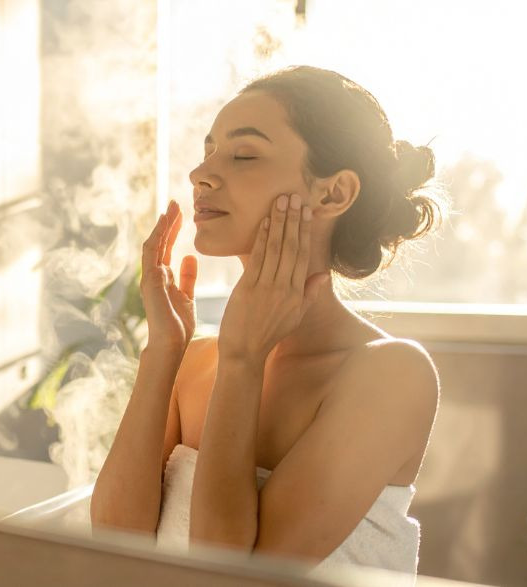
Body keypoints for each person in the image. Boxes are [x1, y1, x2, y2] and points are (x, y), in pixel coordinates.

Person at [89, 66, 443, 575]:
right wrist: (162, 351)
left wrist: (243, 360)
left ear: (334, 193)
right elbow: (116, 546)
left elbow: (233, 577)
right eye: (208, 151)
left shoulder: (391, 375)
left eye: (244, 154)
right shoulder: (192, 360)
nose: (200, 174)